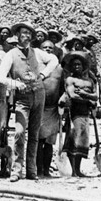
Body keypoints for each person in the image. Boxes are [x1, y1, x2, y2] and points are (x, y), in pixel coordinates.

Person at [0, 22, 58, 182]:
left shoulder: (37, 52)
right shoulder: (11, 54)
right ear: (17, 35)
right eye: (24, 33)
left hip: (39, 95)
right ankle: (17, 170)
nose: (27, 36)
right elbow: (0, 76)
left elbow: (54, 60)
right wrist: (16, 84)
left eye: (29, 33)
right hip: (22, 98)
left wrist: (44, 74)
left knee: (35, 134)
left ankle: (31, 170)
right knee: (19, 132)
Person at [61, 52, 98, 177]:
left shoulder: (89, 81)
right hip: (74, 113)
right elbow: (72, 95)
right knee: (74, 140)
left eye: (79, 64)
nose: (77, 67)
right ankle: (73, 171)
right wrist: (88, 99)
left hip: (85, 114)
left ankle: (78, 169)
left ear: (83, 66)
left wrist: (84, 94)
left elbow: (95, 96)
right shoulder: (70, 80)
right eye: (75, 65)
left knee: (83, 141)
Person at [37, 40, 63, 177]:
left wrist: (64, 99)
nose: (47, 49)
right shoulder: (36, 66)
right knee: (38, 140)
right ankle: (38, 169)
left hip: (53, 110)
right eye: (44, 47)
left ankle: (46, 170)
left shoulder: (59, 68)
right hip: (39, 108)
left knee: (49, 143)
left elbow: (64, 87)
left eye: (50, 48)